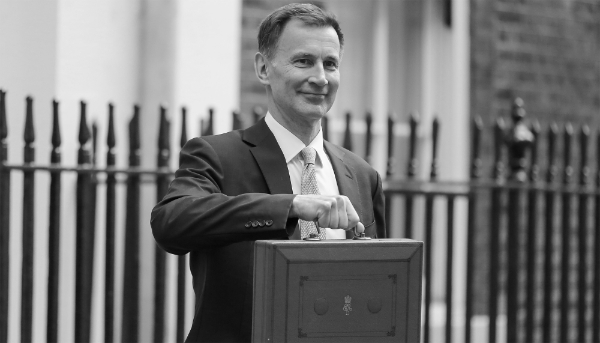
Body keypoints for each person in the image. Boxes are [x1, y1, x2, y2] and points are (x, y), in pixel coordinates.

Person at [151, 3, 385, 342]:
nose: (320, 78)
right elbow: (170, 223)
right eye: (303, 61)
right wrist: (290, 206)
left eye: (330, 64)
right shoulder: (215, 155)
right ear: (263, 68)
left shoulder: (363, 175)